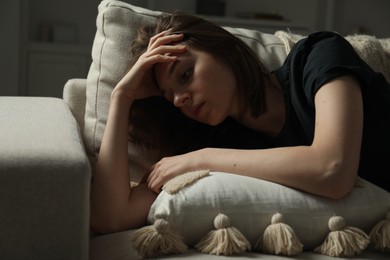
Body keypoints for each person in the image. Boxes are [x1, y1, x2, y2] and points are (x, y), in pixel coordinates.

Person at [90, 12, 390, 234]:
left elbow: (333, 170)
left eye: (185, 74)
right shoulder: (217, 139)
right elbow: (111, 218)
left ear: (227, 50)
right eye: (170, 97)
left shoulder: (317, 55)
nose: (179, 100)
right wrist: (122, 96)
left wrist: (202, 159)